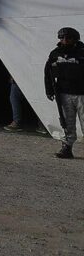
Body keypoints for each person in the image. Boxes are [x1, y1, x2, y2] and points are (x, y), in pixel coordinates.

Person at [44, 27, 84, 159]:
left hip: (82, 94)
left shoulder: (82, 52)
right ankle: (67, 147)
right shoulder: (55, 53)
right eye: (62, 38)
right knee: (67, 122)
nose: (65, 40)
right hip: (64, 94)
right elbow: (48, 72)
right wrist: (49, 89)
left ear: (75, 39)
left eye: (68, 38)